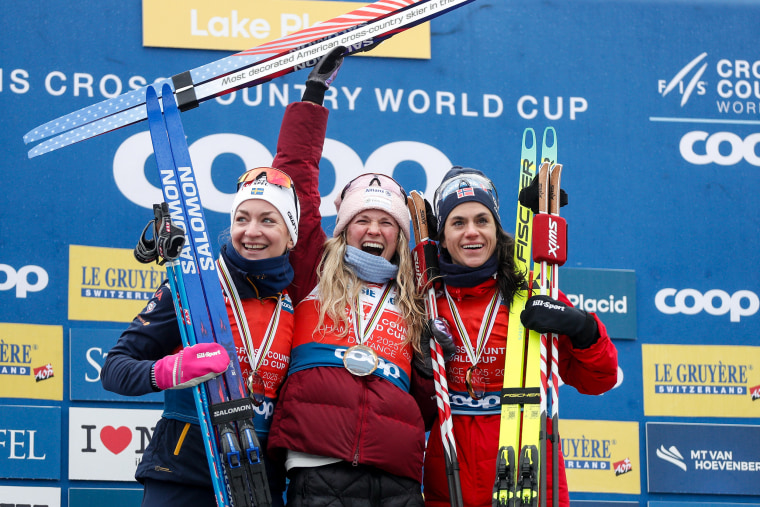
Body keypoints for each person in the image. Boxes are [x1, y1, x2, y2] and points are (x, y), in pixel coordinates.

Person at [99, 48, 346, 507]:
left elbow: (300, 178)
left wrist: (313, 97)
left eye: (269, 221)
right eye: (242, 219)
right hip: (182, 474)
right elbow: (114, 370)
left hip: (259, 481)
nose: (252, 232)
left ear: (291, 235)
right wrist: (170, 370)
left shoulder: (297, 288)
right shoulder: (195, 284)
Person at [266, 75, 439, 504]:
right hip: (318, 464)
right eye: (363, 219)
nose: (374, 230)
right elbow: (295, 179)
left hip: (396, 473)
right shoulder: (313, 267)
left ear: (399, 235)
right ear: (345, 228)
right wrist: (313, 97)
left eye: (387, 222)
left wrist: (433, 367)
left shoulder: (419, 295)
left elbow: (429, 403)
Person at [421, 167, 619, 507]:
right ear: (442, 235)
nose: (472, 232)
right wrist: (421, 366)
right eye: (458, 222)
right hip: (450, 483)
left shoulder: (530, 292)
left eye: (482, 220)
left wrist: (584, 330)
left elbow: (598, 379)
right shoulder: (425, 301)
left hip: (529, 478)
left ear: (497, 229)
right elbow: (411, 409)